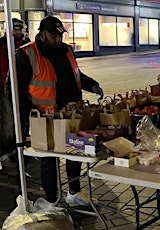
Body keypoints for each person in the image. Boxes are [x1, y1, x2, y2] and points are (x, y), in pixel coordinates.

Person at [16, 16, 104, 205]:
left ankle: (73, 193)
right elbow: (18, 93)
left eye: (60, 35)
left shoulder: (66, 50)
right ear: (42, 33)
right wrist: (31, 114)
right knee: (49, 161)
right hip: (46, 118)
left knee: (75, 152)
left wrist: (92, 85)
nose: (58, 39)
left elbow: (76, 75)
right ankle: (51, 201)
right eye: (54, 35)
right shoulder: (26, 54)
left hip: (72, 114)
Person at [0, 18, 28, 91]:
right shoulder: (1, 44)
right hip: (3, 84)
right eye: (15, 29)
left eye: (20, 29)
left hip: (23, 84)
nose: (18, 31)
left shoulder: (27, 45)